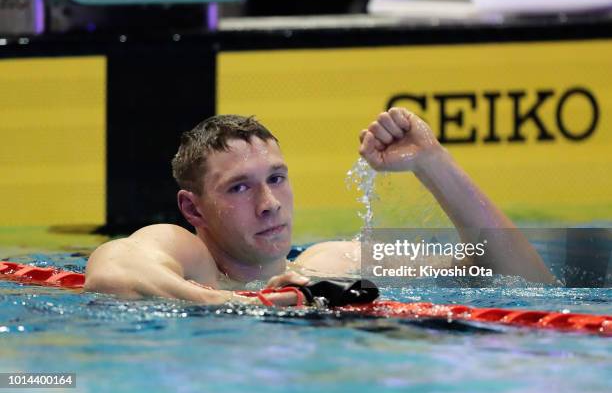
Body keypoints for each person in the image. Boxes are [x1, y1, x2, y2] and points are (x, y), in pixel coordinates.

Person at [84, 108, 556, 305]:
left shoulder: (331, 263)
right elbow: (112, 272)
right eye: (239, 188)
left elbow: (516, 277)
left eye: (276, 179)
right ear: (193, 209)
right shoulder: (190, 257)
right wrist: (251, 306)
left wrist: (433, 163)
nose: (269, 204)